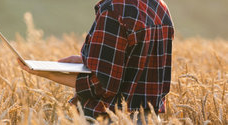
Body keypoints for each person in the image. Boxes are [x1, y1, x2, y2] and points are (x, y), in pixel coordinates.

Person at [17, 0, 174, 122]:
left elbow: (102, 85)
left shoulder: (114, 11)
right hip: (151, 120)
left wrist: (47, 74)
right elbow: (138, 62)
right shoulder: (159, 7)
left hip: (110, 119)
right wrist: (85, 61)